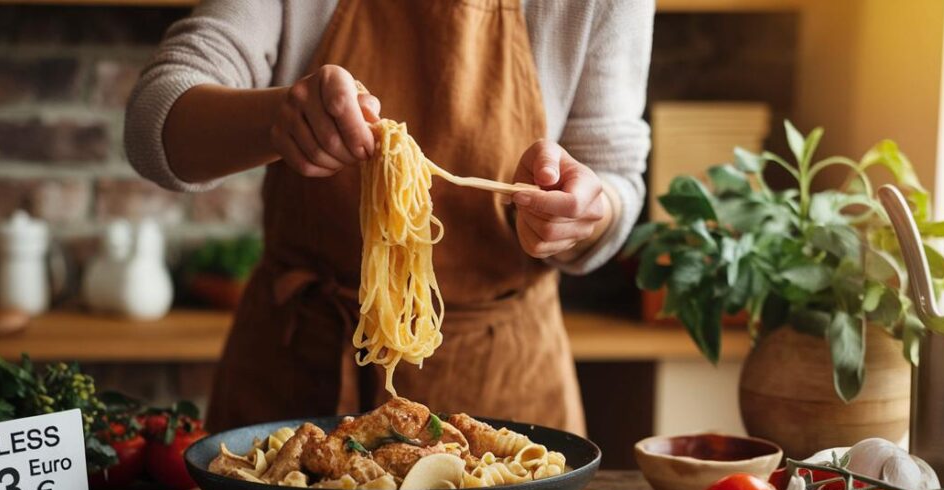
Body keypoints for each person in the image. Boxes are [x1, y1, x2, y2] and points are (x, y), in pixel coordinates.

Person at [125, 0, 653, 435]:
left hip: (500, 385)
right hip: (298, 378)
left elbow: (614, 175)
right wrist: (275, 119)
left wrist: (585, 213)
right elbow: (156, 116)